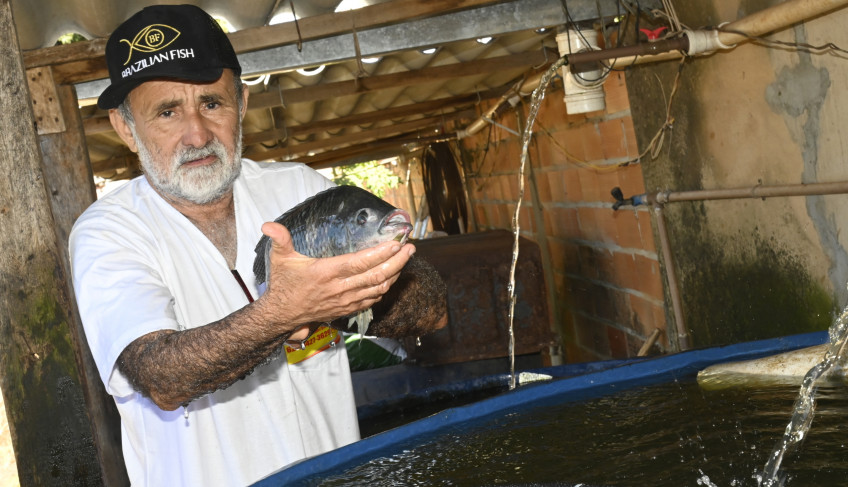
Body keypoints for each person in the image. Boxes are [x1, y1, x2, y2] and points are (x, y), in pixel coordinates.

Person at [69, 5, 441, 486]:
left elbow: (431, 311)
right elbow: (161, 376)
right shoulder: (109, 231)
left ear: (241, 105)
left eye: (212, 104)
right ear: (126, 128)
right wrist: (287, 311)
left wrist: (347, 299)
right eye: (167, 111)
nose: (197, 133)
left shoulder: (302, 191)